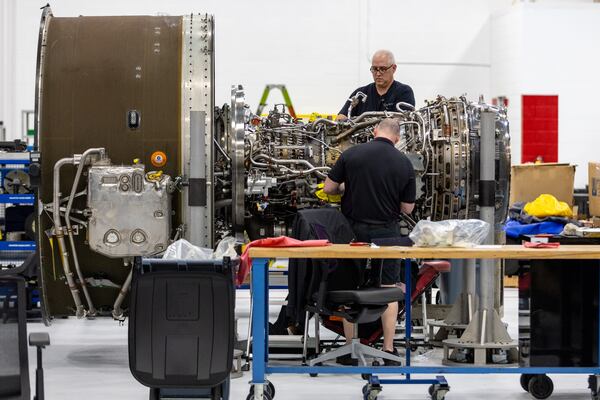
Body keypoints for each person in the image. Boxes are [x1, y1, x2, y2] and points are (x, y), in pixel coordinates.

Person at [323, 118, 416, 366]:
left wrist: (348, 188)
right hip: (388, 234)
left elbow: (329, 187)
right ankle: (388, 350)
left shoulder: (351, 154)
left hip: (353, 233)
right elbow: (408, 206)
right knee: (389, 288)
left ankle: (350, 347)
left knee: (351, 284)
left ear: (374, 132)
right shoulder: (404, 163)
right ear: (396, 139)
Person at [337, 50, 415, 120]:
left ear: (393, 68)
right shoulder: (360, 93)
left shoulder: (404, 92)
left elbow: (402, 122)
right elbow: (341, 117)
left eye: (383, 69)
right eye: (374, 69)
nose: (378, 74)